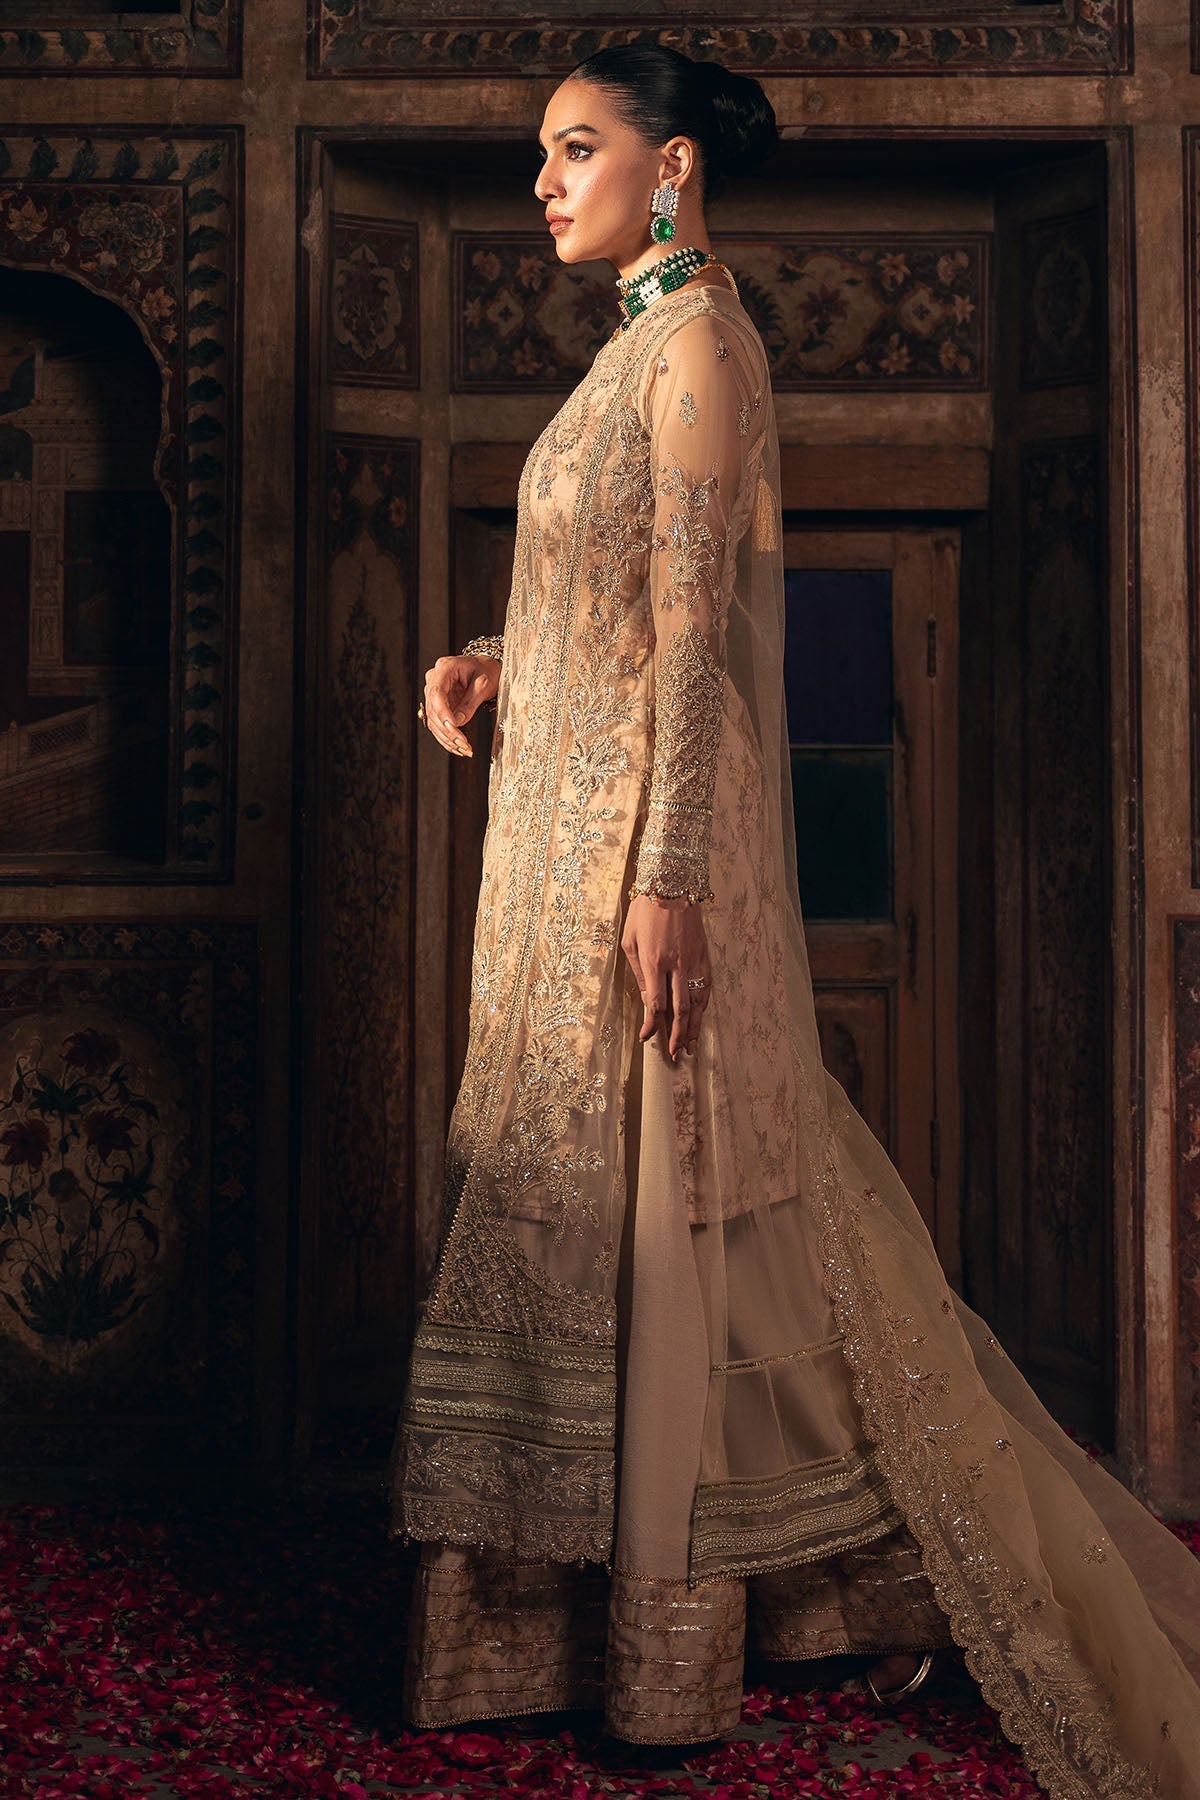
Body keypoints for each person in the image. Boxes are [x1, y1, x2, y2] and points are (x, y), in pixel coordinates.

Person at [391, 43, 1200, 1793]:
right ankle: (591, 1620)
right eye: (543, 154)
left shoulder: (697, 348)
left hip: (636, 862)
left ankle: (736, 1630)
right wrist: (496, 664)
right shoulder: (625, 358)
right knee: (588, 1216)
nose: (544, 182)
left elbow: (698, 640)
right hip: (555, 856)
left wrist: (670, 881)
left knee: (682, 1218)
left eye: (577, 149)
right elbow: (615, 614)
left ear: (671, 165)